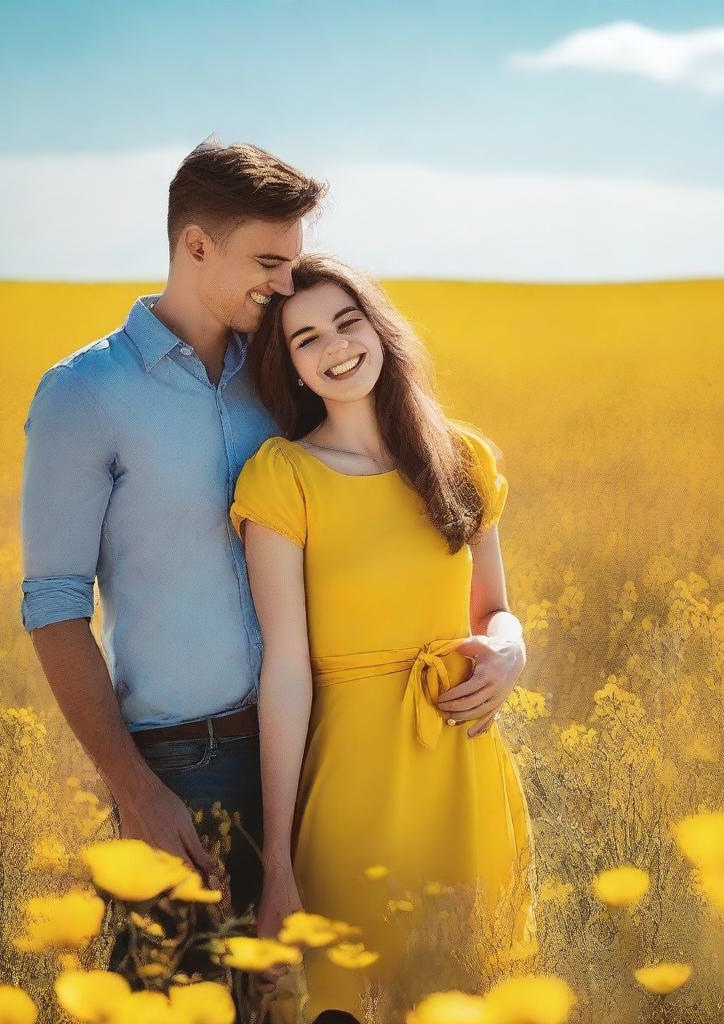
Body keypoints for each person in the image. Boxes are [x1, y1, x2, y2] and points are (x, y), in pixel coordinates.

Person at [19, 138, 327, 1017]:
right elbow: (53, 607)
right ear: (196, 246)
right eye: (268, 262)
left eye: (294, 263)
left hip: (314, 745)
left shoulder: (279, 373)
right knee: (179, 1001)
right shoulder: (84, 392)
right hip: (182, 766)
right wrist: (136, 791)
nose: (284, 284)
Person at [228, 252, 538, 1023]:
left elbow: (494, 609)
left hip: (465, 772)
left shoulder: (459, 456)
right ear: (291, 369)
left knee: (467, 997)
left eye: (347, 321)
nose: (335, 348)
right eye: (307, 340)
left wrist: (511, 649)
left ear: (379, 329)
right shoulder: (283, 476)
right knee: (346, 1003)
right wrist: (276, 867)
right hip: (352, 783)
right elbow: (287, 673)